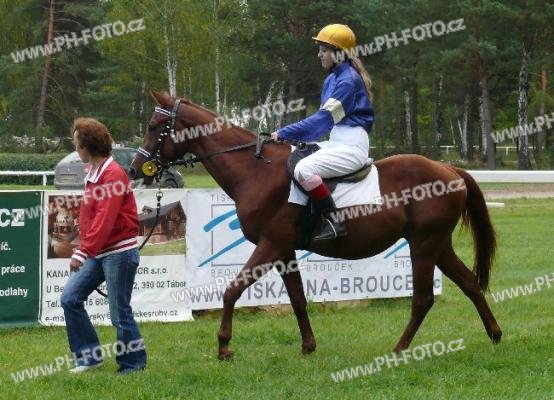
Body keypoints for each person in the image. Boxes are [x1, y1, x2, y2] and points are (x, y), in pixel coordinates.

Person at [271, 24, 374, 241]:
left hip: (351, 147)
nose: (319, 55)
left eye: (324, 50)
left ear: (339, 54)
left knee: (304, 169)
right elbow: (324, 123)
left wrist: (285, 132)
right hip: (337, 141)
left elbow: (323, 121)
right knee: (294, 155)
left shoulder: (347, 81)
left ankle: (333, 220)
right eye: (320, 50)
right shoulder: (332, 79)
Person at [60, 117, 146, 374]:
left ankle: (133, 364)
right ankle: (89, 357)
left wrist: (82, 251)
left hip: (119, 253)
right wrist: (86, 246)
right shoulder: (94, 172)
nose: (76, 149)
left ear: (87, 146)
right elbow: (92, 218)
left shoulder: (112, 174)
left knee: (119, 313)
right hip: (100, 251)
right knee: (70, 298)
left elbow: (104, 220)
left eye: (77, 144)